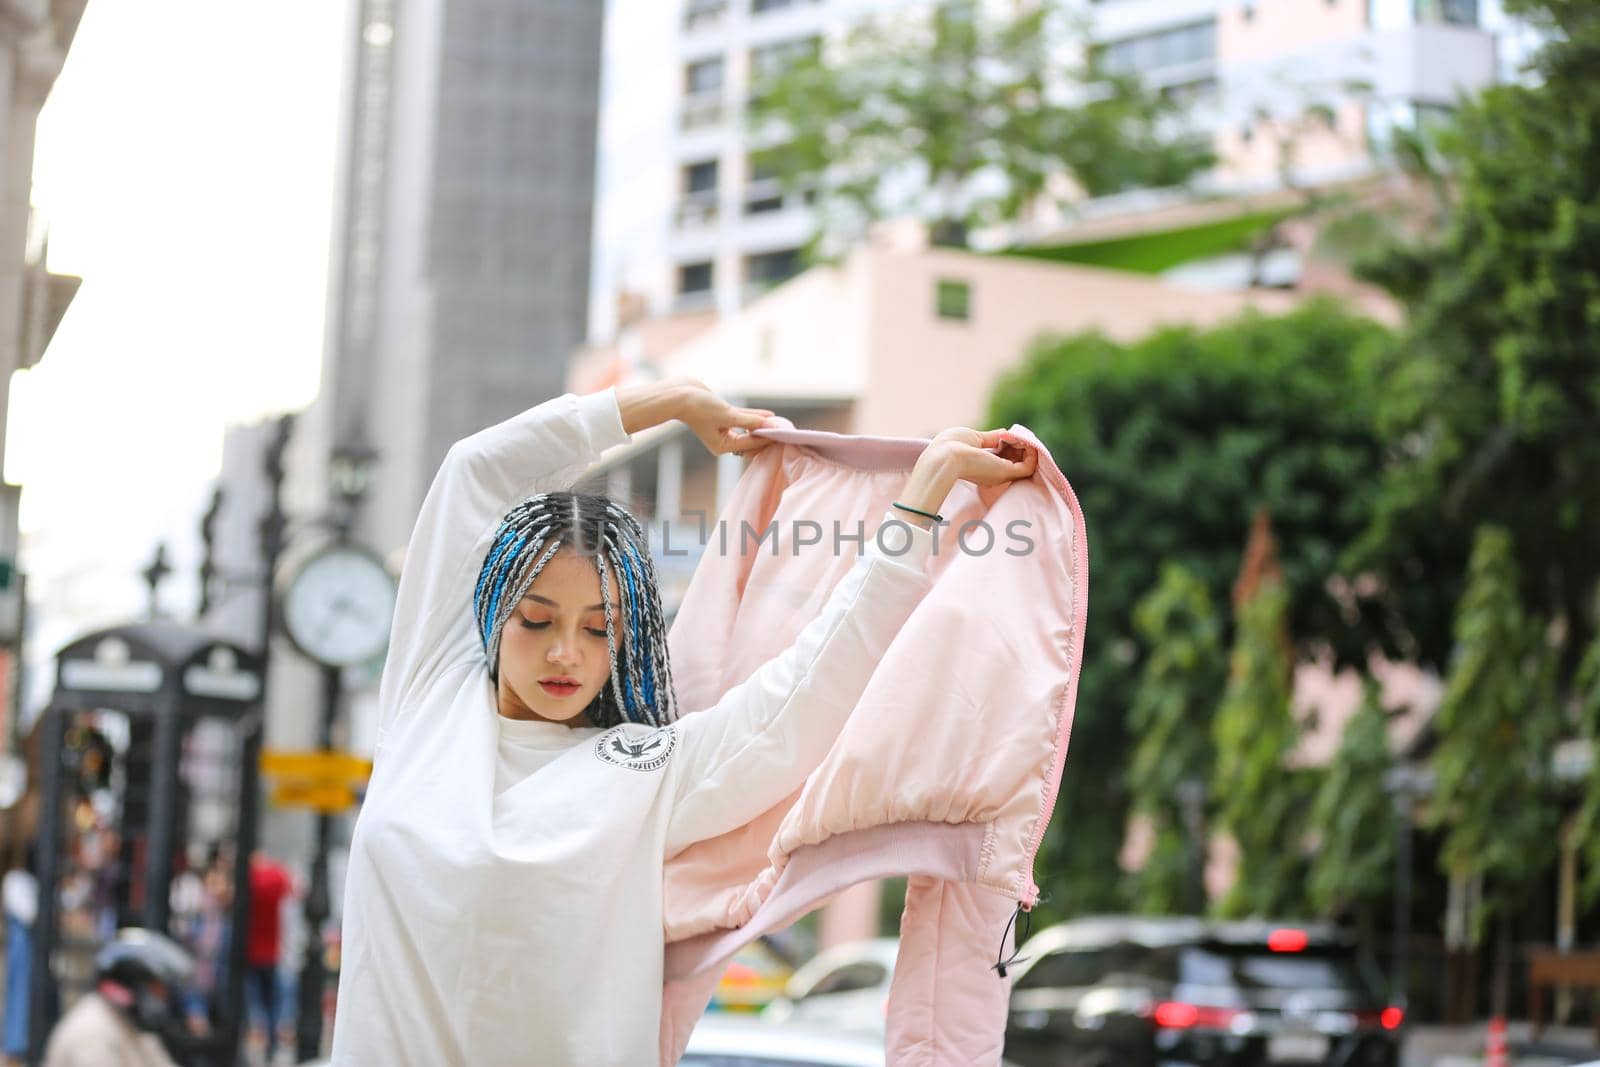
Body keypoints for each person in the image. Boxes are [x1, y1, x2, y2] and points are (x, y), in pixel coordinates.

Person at [330, 379, 1037, 1065]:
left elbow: (808, 688)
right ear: (491, 611)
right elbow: (472, 471)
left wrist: (926, 491)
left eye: (599, 629)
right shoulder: (431, 694)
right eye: (536, 619)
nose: (565, 652)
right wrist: (668, 403)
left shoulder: (649, 769)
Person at [42, 928, 193, 1067]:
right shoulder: (93, 1034)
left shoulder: (130, 1027)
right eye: (156, 989)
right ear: (132, 984)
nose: (162, 1000)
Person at [243, 850, 294, 1062]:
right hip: (271, 953)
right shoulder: (276, 879)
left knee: (253, 1001)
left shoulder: (251, 879)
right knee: (273, 1001)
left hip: (250, 952)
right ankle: (271, 1043)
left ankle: (254, 1037)